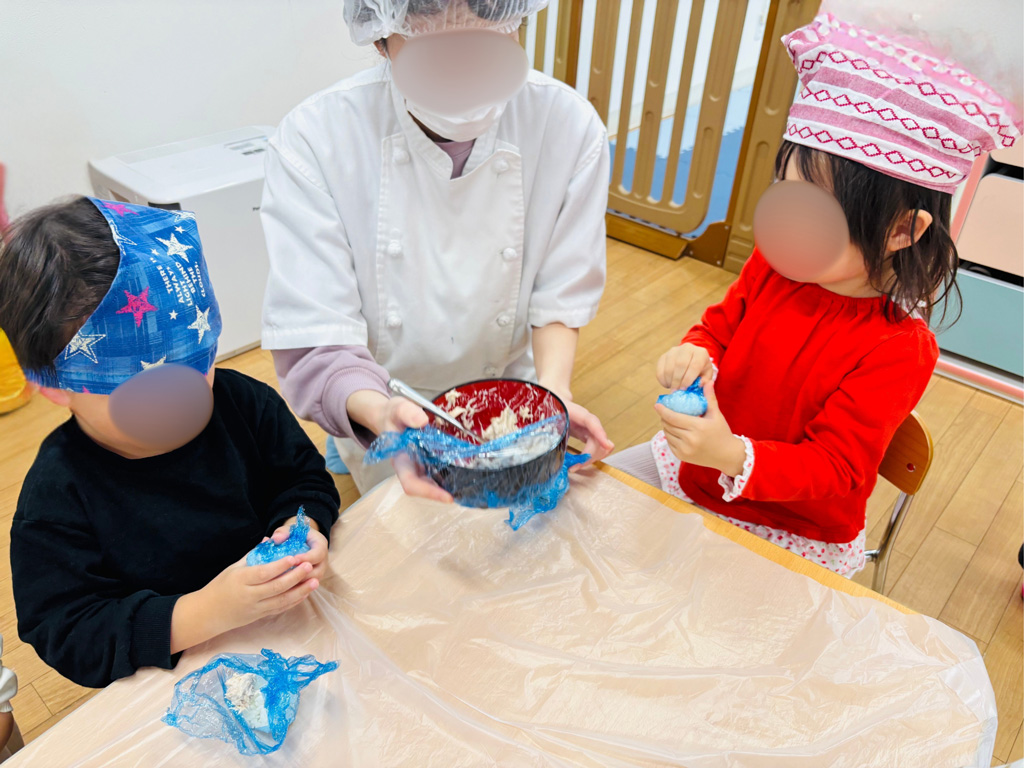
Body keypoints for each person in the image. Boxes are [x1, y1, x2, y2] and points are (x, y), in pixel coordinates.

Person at [606, 13, 1021, 576]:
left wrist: (732, 454)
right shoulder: (774, 266)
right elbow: (719, 329)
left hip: (791, 527)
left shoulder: (898, 347)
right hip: (693, 471)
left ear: (903, 230)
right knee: (591, 511)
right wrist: (695, 351)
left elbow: (837, 469)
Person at [261, 0, 613, 500]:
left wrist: (549, 397)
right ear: (381, 38)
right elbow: (320, 330)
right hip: (382, 394)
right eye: (437, 54)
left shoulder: (567, 125)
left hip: (508, 391)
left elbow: (559, 291)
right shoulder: (317, 138)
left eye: (487, 46)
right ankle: (344, 442)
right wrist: (378, 412)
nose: (464, 74)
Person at [0, 198, 341, 687]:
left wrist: (303, 525)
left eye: (194, 370)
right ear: (54, 386)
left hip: (297, 636)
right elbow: (67, 632)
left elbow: (303, 478)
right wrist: (202, 612)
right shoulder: (58, 496)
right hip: (173, 684)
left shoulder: (244, 404)